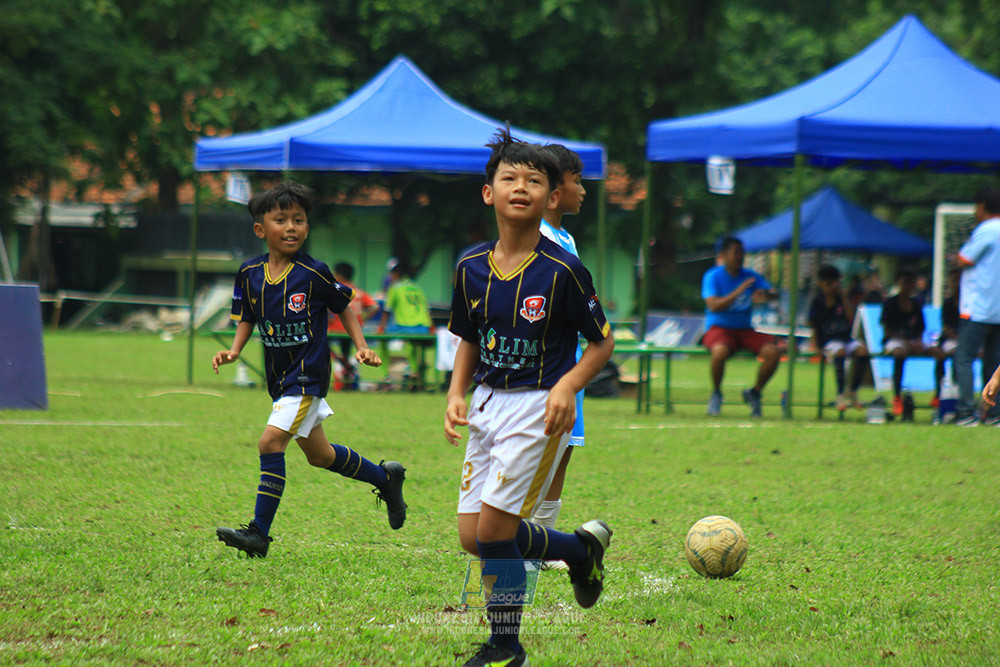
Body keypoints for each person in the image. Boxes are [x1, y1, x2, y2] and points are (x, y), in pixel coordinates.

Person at [444, 128, 615, 667]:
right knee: (474, 537)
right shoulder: (470, 267)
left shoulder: (563, 269)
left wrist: (567, 385)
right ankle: (579, 550)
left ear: (550, 197)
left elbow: (601, 342)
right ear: (488, 192)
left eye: (535, 180)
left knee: (497, 531)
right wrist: (455, 392)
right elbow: (469, 337)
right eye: (509, 177)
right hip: (488, 405)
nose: (521, 186)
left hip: (539, 407)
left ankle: (505, 645)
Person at [212, 181, 407, 558]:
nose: (291, 227)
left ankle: (258, 534)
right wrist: (234, 352)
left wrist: (362, 346)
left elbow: (344, 306)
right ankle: (386, 478)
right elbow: (247, 316)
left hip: (306, 377)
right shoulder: (249, 273)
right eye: (281, 219)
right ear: (260, 229)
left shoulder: (314, 272)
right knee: (320, 456)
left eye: (298, 220)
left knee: (269, 443)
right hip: (279, 379)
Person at [529, 144, 587, 555]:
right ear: (555, 189)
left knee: (562, 453)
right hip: (546, 367)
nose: (583, 190)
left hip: (572, 363)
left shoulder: (565, 236)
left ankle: (543, 542)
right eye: (577, 181)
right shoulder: (538, 237)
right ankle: (524, 539)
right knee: (536, 455)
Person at [701, 237, 780, 418]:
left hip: (745, 330)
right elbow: (713, 305)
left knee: (773, 352)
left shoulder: (750, 276)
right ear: (724, 255)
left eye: (741, 252)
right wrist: (739, 291)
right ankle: (716, 393)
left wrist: (765, 294)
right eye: (735, 252)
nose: (740, 256)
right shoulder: (712, 276)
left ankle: (755, 392)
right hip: (718, 327)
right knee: (719, 352)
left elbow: (774, 293)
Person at [954, 187, 1000, 427]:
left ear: (981, 206)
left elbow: (965, 258)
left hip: (979, 308)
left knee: (964, 358)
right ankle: (994, 415)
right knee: (995, 363)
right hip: (999, 311)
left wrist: (954, 259)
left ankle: (966, 413)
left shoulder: (987, 229)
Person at [880, 268, 945, 417]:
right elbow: (886, 329)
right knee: (899, 352)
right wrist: (906, 342)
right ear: (898, 283)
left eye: (911, 283)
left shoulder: (916, 304)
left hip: (914, 340)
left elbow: (921, 328)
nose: (908, 286)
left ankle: (938, 395)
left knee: (939, 354)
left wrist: (919, 342)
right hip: (895, 340)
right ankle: (897, 396)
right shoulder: (890, 303)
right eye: (905, 282)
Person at [808, 264, 870, 411]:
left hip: (845, 339)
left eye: (834, 283)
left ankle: (853, 390)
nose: (831, 287)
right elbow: (814, 326)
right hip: (829, 341)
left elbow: (850, 317)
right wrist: (816, 346)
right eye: (828, 283)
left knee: (863, 351)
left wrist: (842, 294)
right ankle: (840, 394)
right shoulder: (817, 302)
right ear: (821, 284)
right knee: (840, 351)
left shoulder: (841, 299)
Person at [329, 261, 379, 390]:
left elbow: (328, 308)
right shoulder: (358, 291)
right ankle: (346, 369)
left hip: (335, 329)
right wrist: (363, 319)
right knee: (346, 352)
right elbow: (374, 307)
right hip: (352, 331)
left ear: (339, 275)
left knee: (321, 345)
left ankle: (343, 366)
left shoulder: (335, 288)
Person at [931, 269, 960, 407]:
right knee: (944, 354)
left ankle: (958, 391)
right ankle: (939, 392)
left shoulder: (969, 302)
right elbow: (945, 327)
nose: (957, 284)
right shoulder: (948, 303)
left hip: (968, 340)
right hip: (951, 340)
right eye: (954, 280)